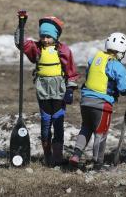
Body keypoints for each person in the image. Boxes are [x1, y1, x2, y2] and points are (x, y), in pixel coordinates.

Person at [15, 16, 79, 166]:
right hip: (43, 90)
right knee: (45, 122)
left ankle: (58, 157)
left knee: (58, 122)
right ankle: (48, 156)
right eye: (43, 36)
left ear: (55, 36)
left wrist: (70, 89)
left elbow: (71, 71)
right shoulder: (36, 48)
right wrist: (21, 25)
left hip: (59, 91)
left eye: (48, 36)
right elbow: (20, 43)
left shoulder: (63, 50)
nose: (45, 39)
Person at [68, 32, 126, 169]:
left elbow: (90, 75)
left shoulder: (94, 59)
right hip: (102, 104)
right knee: (101, 133)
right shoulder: (117, 66)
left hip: (86, 101)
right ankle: (98, 163)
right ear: (120, 51)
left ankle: (76, 154)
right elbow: (124, 89)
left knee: (86, 127)